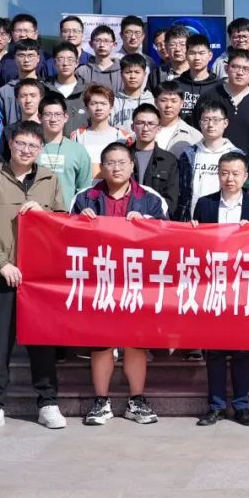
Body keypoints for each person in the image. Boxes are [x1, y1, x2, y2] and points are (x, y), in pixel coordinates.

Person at [0, 121, 67, 434]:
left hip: (39, 279)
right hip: (0, 276)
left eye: (33, 146)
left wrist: (45, 215)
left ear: (41, 149)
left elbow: (63, 225)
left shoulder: (50, 180)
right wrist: (1, 264)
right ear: (10, 143)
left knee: (43, 344)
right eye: (21, 143)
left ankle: (47, 402)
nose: (26, 150)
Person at [72, 142, 167, 426]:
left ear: (132, 166)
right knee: (101, 344)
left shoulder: (149, 199)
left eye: (122, 162)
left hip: (136, 282)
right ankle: (101, 402)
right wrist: (79, 221)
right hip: (99, 281)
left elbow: (167, 238)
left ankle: (136, 400)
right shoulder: (85, 197)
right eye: (110, 163)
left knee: (135, 343)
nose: (116, 168)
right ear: (102, 167)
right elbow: (67, 237)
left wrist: (147, 223)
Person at [191, 153, 249, 427]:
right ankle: (215, 405)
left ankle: (242, 405)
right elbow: (195, 246)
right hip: (213, 285)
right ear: (218, 174)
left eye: (236, 173)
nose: (230, 179)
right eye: (225, 173)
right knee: (214, 350)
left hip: (243, 287)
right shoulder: (205, 204)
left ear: (246, 176)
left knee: (241, 349)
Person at [177, 97, 244, 221]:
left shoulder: (237, 155)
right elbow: (181, 191)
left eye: (216, 120)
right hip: (193, 221)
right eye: (206, 120)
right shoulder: (189, 154)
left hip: (226, 220)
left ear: (225, 123)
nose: (210, 125)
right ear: (199, 123)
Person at [36, 93, 92, 206]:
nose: (53, 119)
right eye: (48, 114)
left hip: (67, 213)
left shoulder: (78, 150)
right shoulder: (31, 149)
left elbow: (84, 190)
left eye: (58, 114)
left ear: (66, 117)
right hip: (37, 212)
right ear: (40, 117)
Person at [69, 83, 135, 179]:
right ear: (86, 108)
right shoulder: (77, 136)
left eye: (103, 104)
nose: (99, 108)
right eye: (93, 104)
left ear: (111, 108)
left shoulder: (123, 137)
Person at [213, 47, 249, 152]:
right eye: (235, 67)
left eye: (246, 69)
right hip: (214, 160)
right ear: (226, 68)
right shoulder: (210, 97)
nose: (240, 72)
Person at [130, 104, 180, 218]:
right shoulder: (123, 157)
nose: (145, 128)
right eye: (140, 123)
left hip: (156, 220)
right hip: (125, 219)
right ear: (132, 126)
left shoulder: (169, 161)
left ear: (159, 128)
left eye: (151, 124)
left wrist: (148, 215)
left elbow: (171, 200)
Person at [0, 39, 46, 127]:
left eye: (31, 55)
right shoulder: (5, 91)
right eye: (21, 55)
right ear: (15, 58)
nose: (26, 60)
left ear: (38, 58)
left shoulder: (47, 89)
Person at [176, 33, 224, 123]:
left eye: (201, 53)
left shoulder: (220, 87)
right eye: (192, 53)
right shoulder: (176, 85)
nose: (197, 58)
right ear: (186, 55)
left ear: (210, 55)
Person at [0, 14, 55, 85]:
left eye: (26, 31)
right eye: (18, 31)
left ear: (36, 34)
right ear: (12, 33)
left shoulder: (47, 59)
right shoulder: (6, 59)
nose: (22, 35)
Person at [0, 79, 45, 163]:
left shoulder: (48, 129)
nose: (28, 100)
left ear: (41, 98)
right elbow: (3, 162)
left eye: (33, 96)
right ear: (17, 100)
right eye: (23, 96)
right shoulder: (9, 131)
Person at [153, 80, 202, 158]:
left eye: (174, 101)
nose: (168, 105)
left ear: (182, 103)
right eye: (163, 100)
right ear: (155, 102)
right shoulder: (146, 130)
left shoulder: (194, 136)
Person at [48, 42, 89, 137]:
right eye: (61, 59)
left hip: (81, 143)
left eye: (70, 59)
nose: (65, 64)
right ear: (54, 63)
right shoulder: (45, 89)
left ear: (77, 62)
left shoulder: (87, 90)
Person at [110, 54, 154, 128]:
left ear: (144, 74)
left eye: (137, 72)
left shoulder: (152, 102)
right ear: (121, 75)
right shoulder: (113, 102)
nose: (132, 76)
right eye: (128, 72)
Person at [77, 25, 123, 94]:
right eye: (97, 40)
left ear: (114, 45)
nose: (102, 45)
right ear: (91, 44)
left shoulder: (122, 71)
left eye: (106, 41)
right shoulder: (82, 71)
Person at [118, 15, 159, 91]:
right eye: (128, 32)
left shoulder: (149, 62)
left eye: (137, 33)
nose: (133, 37)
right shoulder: (113, 60)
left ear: (143, 36)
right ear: (121, 35)